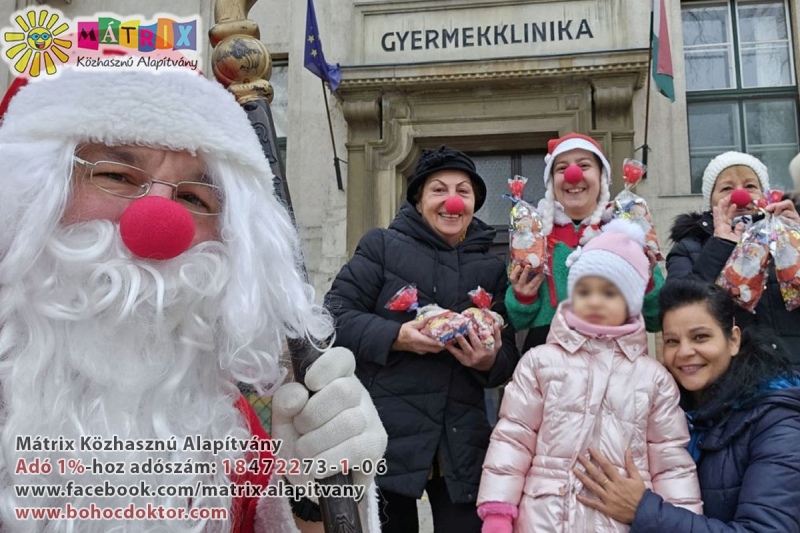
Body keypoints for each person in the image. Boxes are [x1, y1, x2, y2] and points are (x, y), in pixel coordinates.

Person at [0, 68, 387, 532]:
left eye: (194, 198)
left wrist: (309, 498)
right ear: (27, 196)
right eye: (116, 175)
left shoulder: (216, 418)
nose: (158, 224)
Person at [324, 146, 520, 532]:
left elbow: (509, 354)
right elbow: (333, 316)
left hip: (461, 445)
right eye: (438, 190)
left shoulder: (493, 268)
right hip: (386, 438)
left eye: (463, 191)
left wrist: (488, 361)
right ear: (418, 199)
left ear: (474, 202)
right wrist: (397, 336)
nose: (452, 201)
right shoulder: (381, 246)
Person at [478, 220, 701, 532]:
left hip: (619, 520)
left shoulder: (653, 377)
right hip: (545, 516)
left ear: (630, 302)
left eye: (609, 293)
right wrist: (498, 510)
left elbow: (670, 461)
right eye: (585, 290)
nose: (595, 300)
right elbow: (513, 438)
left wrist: (679, 521)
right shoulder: (540, 362)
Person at [575, 278, 800, 532]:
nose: (684, 352)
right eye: (672, 341)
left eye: (700, 337)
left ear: (734, 340)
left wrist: (643, 510)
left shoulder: (778, 424)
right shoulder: (667, 410)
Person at [507, 133, 664, 352]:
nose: (573, 175)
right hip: (548, 357)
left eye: (584, 165)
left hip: (614, 357)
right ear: (552, 182)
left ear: (601, 177)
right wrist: (523, 296)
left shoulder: (626, 231)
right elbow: (517, 321)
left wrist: (645, 281)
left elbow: (656, 319)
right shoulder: (533, 236)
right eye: (562, 168)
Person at [666, 151, 800, 363]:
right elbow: (676, 306)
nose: (741, 196)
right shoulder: (689, 248)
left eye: (750, 186)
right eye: (727, 188)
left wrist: (795, 239)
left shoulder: (786, 238)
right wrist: (719, 245)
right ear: (711, 204)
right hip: (730, 379)